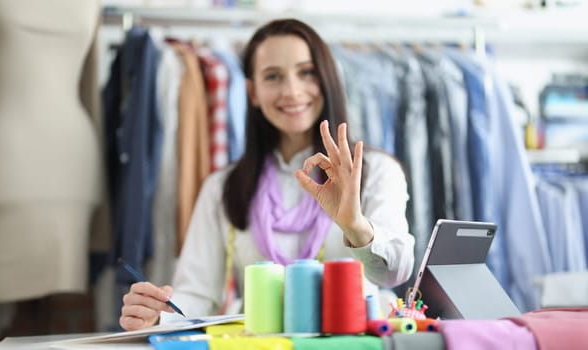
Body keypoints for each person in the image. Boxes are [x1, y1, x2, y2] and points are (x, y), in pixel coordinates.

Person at [120, 18, 415, 331]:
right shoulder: (222, 187)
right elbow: (198, 294)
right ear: (252, 92)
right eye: (273, 76)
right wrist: (158, 314)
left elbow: (393, 273)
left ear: (328, 79)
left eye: (306, 73)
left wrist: (355, 226)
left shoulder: (376, 171)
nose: (291, 91)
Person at [0, 0, 102, 306]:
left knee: (68, 306)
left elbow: (91, 89)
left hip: (73, 161)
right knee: (9, 305)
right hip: (6, 159)